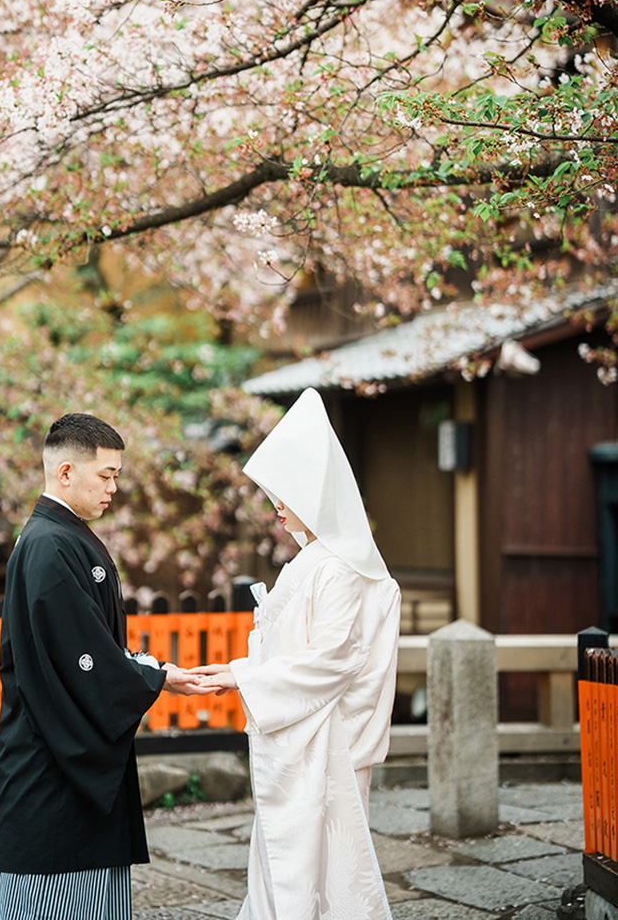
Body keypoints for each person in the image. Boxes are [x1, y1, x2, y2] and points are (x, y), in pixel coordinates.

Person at [0, 412, 211, 920]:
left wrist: (150, 671)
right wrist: (154, 677)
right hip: (53, 762)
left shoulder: (61, 536)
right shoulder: (48, 544)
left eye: (116, 477)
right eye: (105, 475)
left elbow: (91, 648)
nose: (113, 488)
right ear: (66, 472)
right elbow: (83, 659)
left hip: (62, 752)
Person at [195, 387, 401, 920]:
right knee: (287, 865)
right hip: (300, 734)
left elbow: (332, 658)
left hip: (329, 742)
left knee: (318, 871)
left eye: (284, 495)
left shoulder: (337, 566)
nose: (277, 508)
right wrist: (244, 672)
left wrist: (244, 678)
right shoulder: (319, 560)